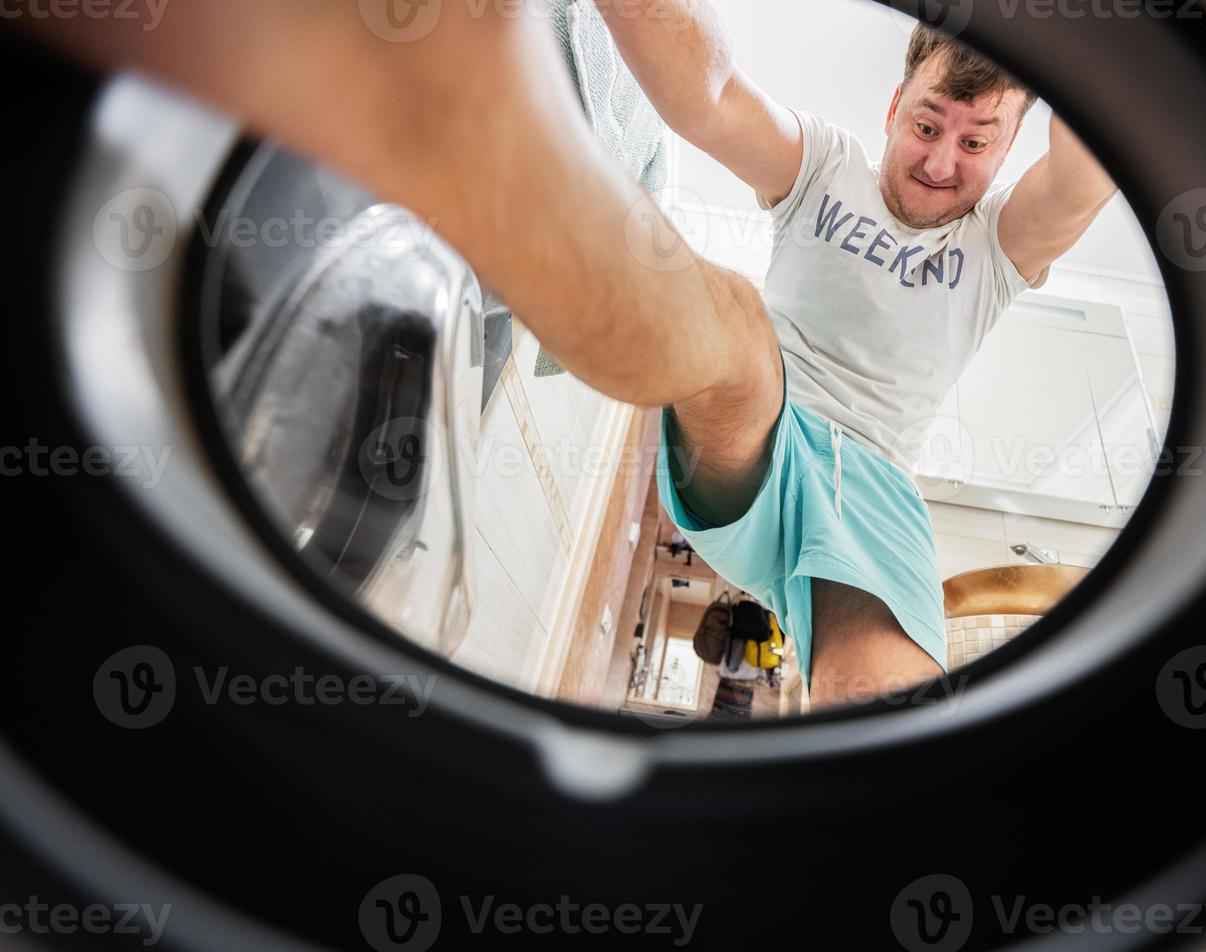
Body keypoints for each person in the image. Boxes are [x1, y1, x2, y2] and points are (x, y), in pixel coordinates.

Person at [12, 0, 1114, 711]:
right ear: (894, 105)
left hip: (874, 488)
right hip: (758, 420)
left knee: (888, 697)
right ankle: (476, 135)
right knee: (731, 327)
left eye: (978, 144)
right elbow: (709, 92)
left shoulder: (1000, 247)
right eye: (929, 125)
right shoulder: (820, 166)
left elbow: (1095, 163)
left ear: (1006, 151)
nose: (942, 162)